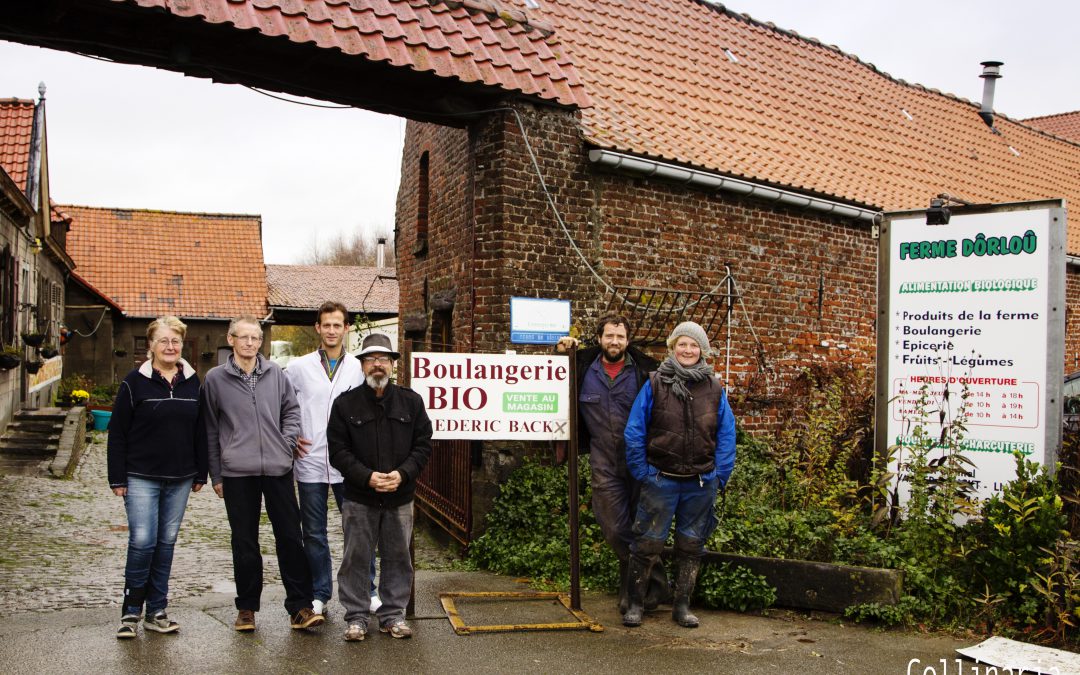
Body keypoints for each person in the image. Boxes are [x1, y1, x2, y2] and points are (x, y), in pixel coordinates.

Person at [201, 315, 323, 633]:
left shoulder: (275, 374)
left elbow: (291, 411)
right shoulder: (215, 379)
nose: (250, 343)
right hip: (237, 472)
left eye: (255, 338)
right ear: (231, 340)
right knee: (244, 542)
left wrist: (285, 444)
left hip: (278, 468)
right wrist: (217, 473)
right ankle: (246, 609)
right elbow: (210, 429)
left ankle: (300, 606)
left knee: (290, 538)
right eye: (244, 337)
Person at [623, 321, 736, 629]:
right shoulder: (656, 383)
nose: (688, 350)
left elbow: (727, 433)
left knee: (691, 546)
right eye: (683, 344)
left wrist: (720, 475)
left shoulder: (714, 388)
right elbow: (635, 431)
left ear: (702, 350)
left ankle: (681, 606)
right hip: (661, 479)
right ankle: (635, 603)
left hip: (700, 482)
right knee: (647, 544)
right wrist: (643, 473)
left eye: (694, 345)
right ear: (673, 348)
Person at [557, 315, 671, 618]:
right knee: (613, 526)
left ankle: (631, 593)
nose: (615, 342)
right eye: (609, 336)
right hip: (603, 459)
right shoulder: (582, 366)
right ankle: (656, 578)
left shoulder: (646, 370)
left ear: (628, 341)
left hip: (640, 460)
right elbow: (549, 375)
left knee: (640, 524)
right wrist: (561, 350)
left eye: (620, 337)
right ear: (599, 338)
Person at [327, 333, 432, 642]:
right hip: (360, 497)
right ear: (362, 366)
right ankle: (356, 618)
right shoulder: (345, 404)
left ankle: (392, 616)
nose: (377, 365)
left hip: (400, 497)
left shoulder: (411, 402)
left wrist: (403, 474)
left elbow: (423, 445)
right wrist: (367, 477)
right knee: (356, 558)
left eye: (383, 360)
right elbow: (338, 451)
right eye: (371, 359)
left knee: (398, 557)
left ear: (392, 365)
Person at [108, 315, 206, 638]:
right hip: (140, 476)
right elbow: (118, 433)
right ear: (150, 345)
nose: (170, 346)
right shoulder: (134, 383)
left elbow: (200, 430)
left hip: (180, 477)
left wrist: (200, 471)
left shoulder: (193, 381)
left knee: (166, 542)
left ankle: (157, 610)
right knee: (143, 541)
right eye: (163, 340)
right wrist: (117, 478)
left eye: (175, 341)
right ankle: (131, 612)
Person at [286, 301, 379, 618]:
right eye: (326, 324)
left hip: (348, 465)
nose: (331, 330)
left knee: (359, 530)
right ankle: (319, 594)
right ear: (318, 328)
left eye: (337, 325)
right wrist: (291, 435)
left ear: (346, 329)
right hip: (310, 461)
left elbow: (371, 409)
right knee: (313, 532)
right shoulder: (298, 367)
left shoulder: (357, 367)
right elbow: (283, 405)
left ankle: (369, 590)